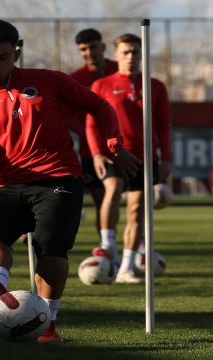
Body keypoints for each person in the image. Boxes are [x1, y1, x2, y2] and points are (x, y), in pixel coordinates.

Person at [0, 19, 139, 343]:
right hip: (7, 184)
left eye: (3, 57)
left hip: (59, 180)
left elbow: (99, 106)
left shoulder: (49, 82)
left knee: (50, 247)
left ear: (16, 54)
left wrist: (114, 147)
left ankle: (47, 324)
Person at [89, 33, 172, 283]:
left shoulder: (155, 86)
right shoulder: (102, 84)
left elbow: (163, 125)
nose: (131, 57)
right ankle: (108, 246)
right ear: (115, 55)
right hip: (113, 154)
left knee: (137, 211)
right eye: (125, 52)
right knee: (112, 189)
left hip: (145, 158)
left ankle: (126, 267)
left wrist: (166, 157)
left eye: (135, 51)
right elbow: (91, 122)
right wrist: (96, 153)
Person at [69, 28, 121, 261]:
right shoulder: (76, 78)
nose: (88, 52)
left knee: (136, 201)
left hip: (124, 148)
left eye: (92, 47)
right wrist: (86, 133)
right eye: (83, 49)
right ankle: (108, 247)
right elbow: (68, 114)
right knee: (102, 199)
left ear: (103, 47)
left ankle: (135, 247)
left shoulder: (119, 70)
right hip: (91, 151)